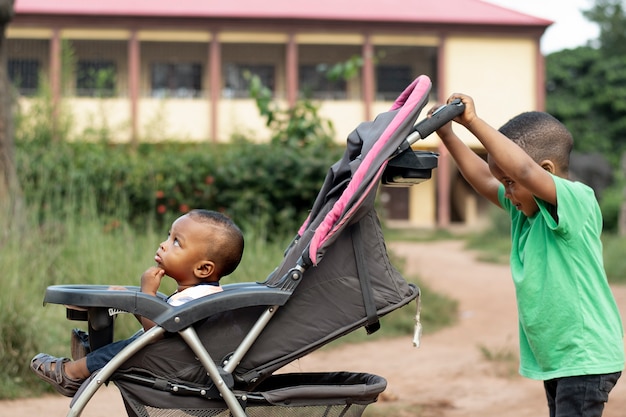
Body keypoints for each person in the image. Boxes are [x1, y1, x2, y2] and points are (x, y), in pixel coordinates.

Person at [433, 93, 624, 417]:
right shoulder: (525, 213)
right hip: (561, 360)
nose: (506, 191)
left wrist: (473, 123)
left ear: (546, 170)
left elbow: (521, 169)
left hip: (584, 356)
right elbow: (482, 177)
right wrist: (448, 134)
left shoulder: (576, 202)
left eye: (510, 183)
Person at [30, 209, 245, 397]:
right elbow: (161, 327)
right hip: (177, 358)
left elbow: (156, 331)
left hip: (179, 367)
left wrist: (147, 293)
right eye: (168, 236)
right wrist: (131, 302)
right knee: (135, 342)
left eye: (176, 242)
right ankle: (92, 357)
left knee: (130, 348)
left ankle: (72, 373)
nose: (163, 245)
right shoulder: (202, 294)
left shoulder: (200, 300)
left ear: (203, 269)